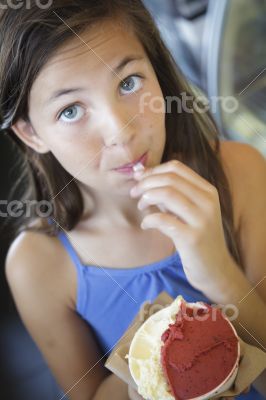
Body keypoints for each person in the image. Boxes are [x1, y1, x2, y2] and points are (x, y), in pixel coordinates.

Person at [0, 1, 265, 399]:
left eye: (129, 82)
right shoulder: (38, 265)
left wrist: (219, 275)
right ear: (31, 133)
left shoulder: (240, 173)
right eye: (71, 110)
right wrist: (151, 354)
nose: (120, 132)